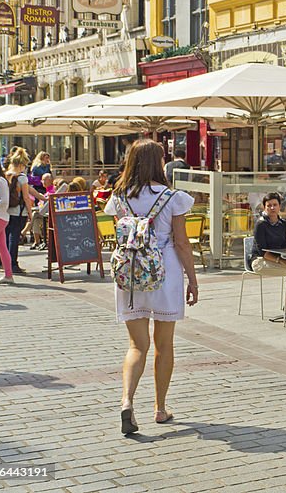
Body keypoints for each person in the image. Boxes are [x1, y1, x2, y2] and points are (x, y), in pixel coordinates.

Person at [104, 139, 197, 434]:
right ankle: (159, 408)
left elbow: (123, 235)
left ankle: (127, 402)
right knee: (164, 344)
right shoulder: (173, 198)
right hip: (164, 272)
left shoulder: (119, 198)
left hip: (131, 276)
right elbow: (181, 243)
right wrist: (192, 279)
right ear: (159, 162)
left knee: (136, 346)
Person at [251, 192, 286, 325]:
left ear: (279, 206)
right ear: (264, 207)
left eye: (275, 205)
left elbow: (285, 245)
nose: (272, 208)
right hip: (259, 261)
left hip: (276, 259)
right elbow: (262, 252)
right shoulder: (261, 224)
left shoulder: (282, 223)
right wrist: (282, 261)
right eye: (269, 206)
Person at [5, 149, 41, 275]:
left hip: (7, 211)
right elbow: (26, 197)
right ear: (21, 164)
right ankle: (13, 264)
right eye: (25, 165)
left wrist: (41, 196)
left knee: (6, 237)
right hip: (19, 211)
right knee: (15, 238)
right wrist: (30, 214)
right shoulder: (22, 178)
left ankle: (4, 262)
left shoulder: (7, 175)